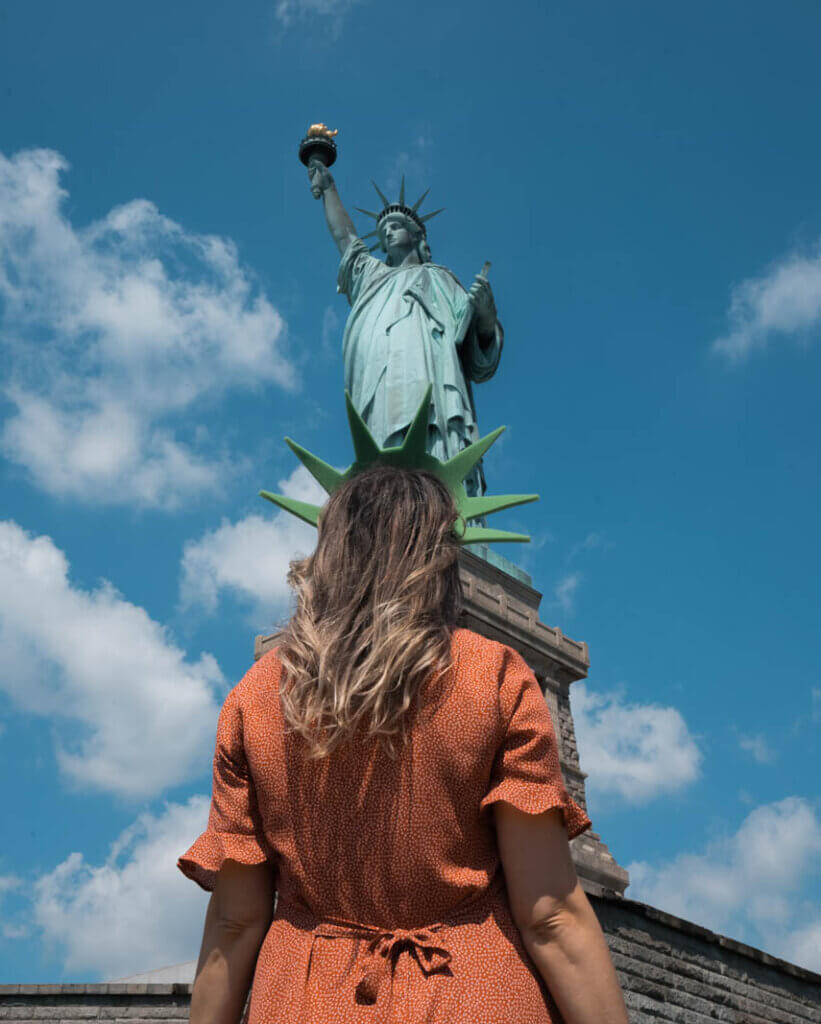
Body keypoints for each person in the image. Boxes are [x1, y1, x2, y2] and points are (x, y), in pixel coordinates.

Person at [178, 465, 630, 1024]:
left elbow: (235, 921)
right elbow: (550, 916)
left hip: (305, 1001)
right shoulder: (494, 677)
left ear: (329, 556)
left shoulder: (254, 700)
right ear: (437, 560)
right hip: (476, 996)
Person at [308, 157, 503, 498]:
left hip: (431, 378)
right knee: (385, 448)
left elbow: (476, 355)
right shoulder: (371, 276)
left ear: (416, 236)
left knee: (433, 435)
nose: (388, 231)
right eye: (384, 230)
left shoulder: (441, 279)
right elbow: (345, 237)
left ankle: (442, 507)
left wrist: (485, 320)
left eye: (396, 225)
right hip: (380, 380)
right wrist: (328, 189)